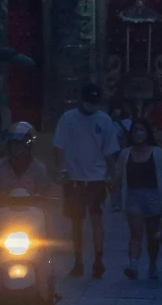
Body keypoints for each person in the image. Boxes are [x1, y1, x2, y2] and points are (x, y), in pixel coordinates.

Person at [52, 83, 121, 278]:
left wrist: (112, 175)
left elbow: (109, 151)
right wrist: (61, 170)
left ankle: (98, 260)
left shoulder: (104, 120)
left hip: (96, 178)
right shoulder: (68, 119)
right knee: (76, 222)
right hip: (74, 177)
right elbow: (59, 147)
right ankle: (78, 261)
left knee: (96, 219)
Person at [120, 118, 162, 281]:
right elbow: (119, 174)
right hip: (133, 196)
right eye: (135, 130)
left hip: (153, 196)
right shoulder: (126, 153)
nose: (138, 133)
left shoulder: (157, 153)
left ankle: (152, 264)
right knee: (135, 232)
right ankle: (133, 265)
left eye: (142, 130)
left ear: (147, 133)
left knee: (152, 237)